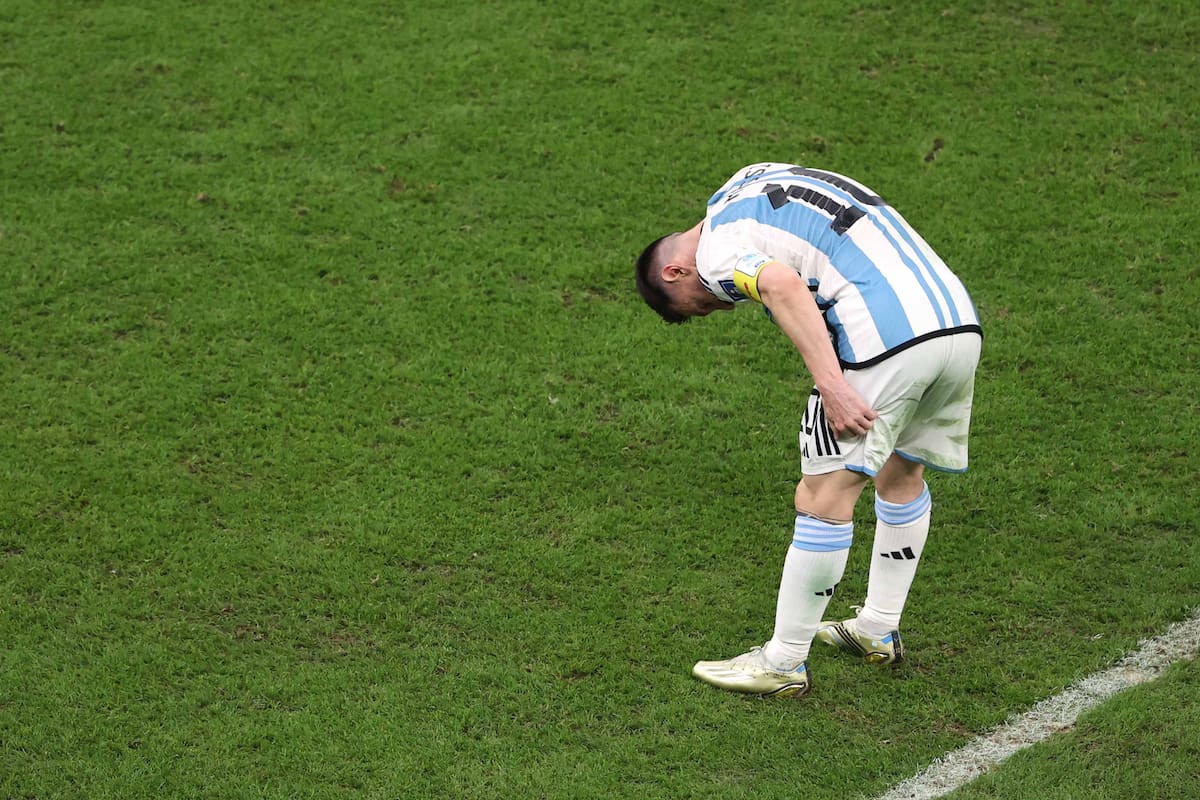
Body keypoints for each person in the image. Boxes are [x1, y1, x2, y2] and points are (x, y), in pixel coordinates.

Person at [634, 162, 982, 698]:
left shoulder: (714, 254)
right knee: (900, 472)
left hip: (885, 336)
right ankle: (875, 629)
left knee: (822, 494)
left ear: (674, 273)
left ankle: (783, 661)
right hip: (955, 323)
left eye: (703, 304)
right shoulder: (744, 182)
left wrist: (833, 383)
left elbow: (779, 282)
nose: (720, 307)